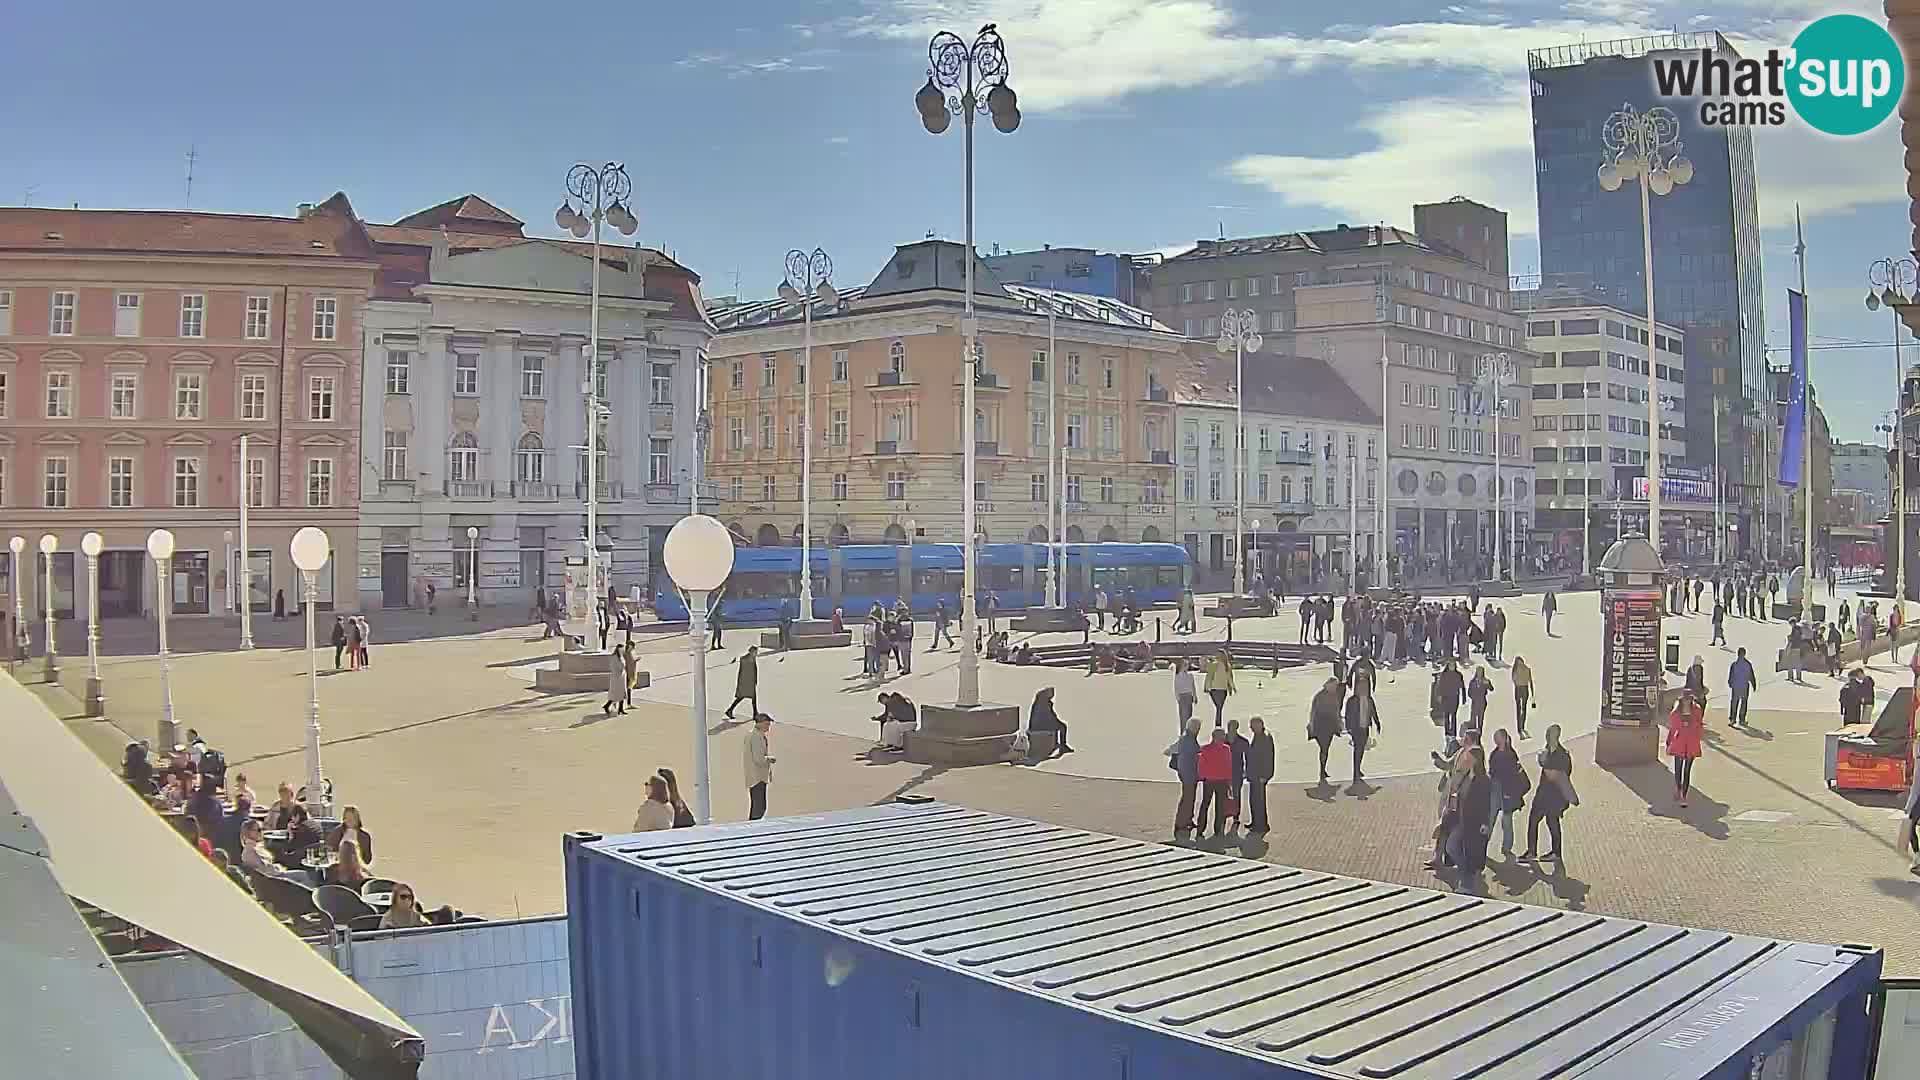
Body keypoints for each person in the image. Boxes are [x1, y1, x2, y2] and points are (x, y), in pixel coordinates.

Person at [1519, 724, 1573, 863]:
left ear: (1555, 736)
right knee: (1534, 820)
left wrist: (1543, 762)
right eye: (1547, 734)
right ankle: (1532, 851)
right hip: (1542, 794)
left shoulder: (1562, 755)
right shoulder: (1547, 750)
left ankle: (1555, 852)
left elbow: (1560, 775)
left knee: (1552, 822)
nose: (1547, 737)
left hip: (1555, 796)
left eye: (1549, 734)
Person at [1487, 728, 1529, 858]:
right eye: (1495, 737)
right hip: (1495, 788)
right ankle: (1484, 842)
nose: (1496, 740)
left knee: (1507, 820)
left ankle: (1507, 846)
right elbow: (1492, 772)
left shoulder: (1511, 755)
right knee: (1490, 817)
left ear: (1504, 739)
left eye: (1498, 737)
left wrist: (1509, 793)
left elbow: (1512, 776)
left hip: (1507, 790)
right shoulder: (1494, 754)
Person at [1667, 691, 1706, 807]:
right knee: (1678, 769)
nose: (1687, 701)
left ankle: (1684, 796)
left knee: (1687, 770)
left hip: (1691, 743)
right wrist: (1670, 740)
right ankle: (1678, 790)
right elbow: (1673, 724)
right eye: (1685, 699)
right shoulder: (1677, 709)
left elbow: (1699, 725)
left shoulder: (1696, 709)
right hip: (1679, 742)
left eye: (1689, 699)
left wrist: (1691, 726)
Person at [1194, 728, 1234, 838]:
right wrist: (1229, 782)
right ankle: (1218, 830)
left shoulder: (1205, 748)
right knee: (1220, 806)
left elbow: (1201, 765)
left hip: (1209, 780)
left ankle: (1200, 829)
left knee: (1205, 804)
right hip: (1222, 781)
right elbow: (1228, 766)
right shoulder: (1226, 749)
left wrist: (1202, 777)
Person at [1344, 676, 1382, 784]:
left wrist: (1377, 723)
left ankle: (1357, 768)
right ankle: (1356, 771)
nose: (1364, 689)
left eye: (1365, 687)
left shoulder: (1369, 699)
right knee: (1357, 749)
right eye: (1361, 687)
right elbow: (1347, 715)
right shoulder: (1352, 700)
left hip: (1365, 727)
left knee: (1361, 749)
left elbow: (1374, 712)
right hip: (1356, 728)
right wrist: (1348, 728)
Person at [1308, 677, 1344, 783]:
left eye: (1335, 686)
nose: (1334, 688)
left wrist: (1339, 723)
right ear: (1328, 685)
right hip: (1320, 724)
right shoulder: (1319, 696)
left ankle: (1323, 768)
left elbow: (1337, 711)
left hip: (1330, 725)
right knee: (1324, 747)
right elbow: (1313, 711)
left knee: (1326, 748)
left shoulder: (1335, 696)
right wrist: (1312, 724)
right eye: (1333, 686)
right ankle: (1322, 769)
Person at [1169, 720, 1201, 835]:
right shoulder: (1187, 739)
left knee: (1190, 797)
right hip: (1188, 773)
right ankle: (1181, 822)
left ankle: (1188, 819)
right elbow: (1191, 756)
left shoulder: (1188, 737)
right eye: (1196, 726)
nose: (1198, 729)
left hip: (1190, 773)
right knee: (1187, 798)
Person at [1245, 716, 1274, 833]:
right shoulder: (1259, 736)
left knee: (1259, 801)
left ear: (1259, 725)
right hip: (1254, 774)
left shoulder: (1265, 738)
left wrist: (1265, 775)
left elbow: (1267, 758)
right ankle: (1255, 822)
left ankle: (1261, 824)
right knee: (1253, 799)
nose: (1250, 728)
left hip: (1260, 775)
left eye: (1252, 726)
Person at [744, 715, 774, 820]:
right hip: (757, 777)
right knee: (759, 807)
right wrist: (769, 759)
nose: (768, 727)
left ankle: (752, 827)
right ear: (760, 723)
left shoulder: (754, 735)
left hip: (755, 776)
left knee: (758, 806)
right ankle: (752, 829)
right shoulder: (755, 736)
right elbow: (758, 759)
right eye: (767, 724)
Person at [1028, 687, 1072, 756]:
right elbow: (1049, 716)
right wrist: (1057, 720)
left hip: (1038, 723)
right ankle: (1063, 746)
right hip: (1040, 725)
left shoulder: (1040, 701)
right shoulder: (1044, 703)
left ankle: (1059, 744)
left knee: (1058, 725)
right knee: (1062, 727)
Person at [1225, 718, 1250, 830]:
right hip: (1223, 771)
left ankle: (1236, 815)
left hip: (1237, 772)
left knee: (1236, 794)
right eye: (1230, 727)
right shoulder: (1222, 739)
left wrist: (1246, 771)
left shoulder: (1243, 741)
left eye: (1233, 727)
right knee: (1223, 794)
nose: (1231, 729)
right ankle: (1225, 813)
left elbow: (1248, 757)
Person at [726, 645, 759, 720]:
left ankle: (755, 713)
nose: (756, 653)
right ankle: (730, 710)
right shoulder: (744, 660)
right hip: (745, 682)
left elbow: (754, 670)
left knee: (750, 698)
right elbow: (742, 672)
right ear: (751, 652)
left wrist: (755, 680)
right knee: (742, 697)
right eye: (755, 652)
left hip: (750, 682)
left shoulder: (752, 658)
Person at [1204, 649, 1235, 726]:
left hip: (1222, 689)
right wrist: (1206, 687)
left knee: (1219, 707)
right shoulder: (1214, 665)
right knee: (1219, 707)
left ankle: (1218, 724)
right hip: (1215, 689)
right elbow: (1209, 676)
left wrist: (1232, 687)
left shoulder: (1227, 666)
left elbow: (1229, 678)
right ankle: (1218, 724)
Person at [1727, 647, 1756, 727]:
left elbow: (1731, 675)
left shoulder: (1735, 664)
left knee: (1737, 702)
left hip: (1738, 686)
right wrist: (1753, 684)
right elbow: (1751, 675)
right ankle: (1739, 719)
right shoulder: (1747, 664)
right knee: (1741, 702)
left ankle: (1735, 719)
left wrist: (1730, 682)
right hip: (1742, 686)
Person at [1510, 656, 1533, 739]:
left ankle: (1522, 726)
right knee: (1519, 708)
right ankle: (1520, 727)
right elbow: (1514, 680)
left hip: (1523, 688)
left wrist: (1532, 693)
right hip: (1519, 689)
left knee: (1523, 708)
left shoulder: (1526, 669)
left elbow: (1530, 681)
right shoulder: (1517, 670)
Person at [1172, 657, 1197, 733]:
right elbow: (1176, 687)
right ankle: (1182, 731)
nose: (1186, 666)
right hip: (1182, 696)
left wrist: (1195, 696)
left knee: (1189, 715)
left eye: (1187, 665)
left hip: (1189, 695)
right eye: (1184, 665)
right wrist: (1178, 697)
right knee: (1183, 716)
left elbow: (1193, 686)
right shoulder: (1177, 676)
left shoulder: (1190, 675)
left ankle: (1189, 731)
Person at [1467, 665, 1493, 734]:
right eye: (1478, 672)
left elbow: (1491, 689)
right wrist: (1474, 697)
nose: (1479, 674)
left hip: (1482, 702)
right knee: (1473, 720)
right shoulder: (1472, 682)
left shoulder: (1485, 681)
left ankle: (1479, 734)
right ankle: (1473, 734)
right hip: (1475, 702)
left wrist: (1488, 684)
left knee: (1480, 719)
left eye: (1481, 672)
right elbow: (1469, 693)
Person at [604, 645, 629, 716]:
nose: (623, 651)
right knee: (616, 693)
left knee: (622, 693)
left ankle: (620, 709)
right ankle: (607, 706)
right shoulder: (615, 657)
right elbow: (619, 666)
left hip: (621, 677)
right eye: (621, 649)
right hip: (616, 678)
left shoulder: (621, 656)